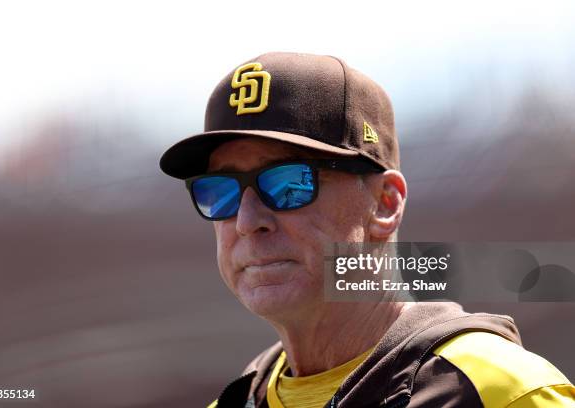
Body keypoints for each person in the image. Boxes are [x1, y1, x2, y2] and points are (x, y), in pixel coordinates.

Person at [159, 52, 574, 407]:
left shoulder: (501, 391)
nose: (248, 222)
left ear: (385, 203)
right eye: (220, 192)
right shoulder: (233, 402)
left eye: (288, 184)